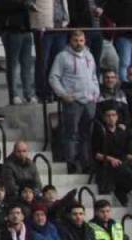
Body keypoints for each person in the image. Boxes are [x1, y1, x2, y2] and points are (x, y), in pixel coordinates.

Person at [49, 30, 100, 173]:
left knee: (86, 134)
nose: (79, 43)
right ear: (70, 41)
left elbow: (94, 76)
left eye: (81, 40)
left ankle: (85, 163)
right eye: (76, 40)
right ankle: (71, 162)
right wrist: (63, 94)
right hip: (73, 101)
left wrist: (96, 93)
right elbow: (53, 77)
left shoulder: (89, 56)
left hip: (89, 100)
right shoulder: (62, 57)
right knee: (71, 133)